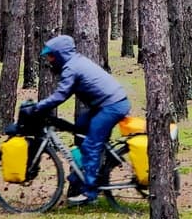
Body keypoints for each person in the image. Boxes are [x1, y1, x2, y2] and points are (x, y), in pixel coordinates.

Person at [26, 34, 130, 206]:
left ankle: (90, 192)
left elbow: (61, 95)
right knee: (81, 127)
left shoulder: (71, 68)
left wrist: (37, 107)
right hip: (107, 103)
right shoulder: (75, 62)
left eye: (51, 56)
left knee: (91, 144)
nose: (50, 60)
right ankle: (83, 174)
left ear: (60, 54)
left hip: (112, 106)